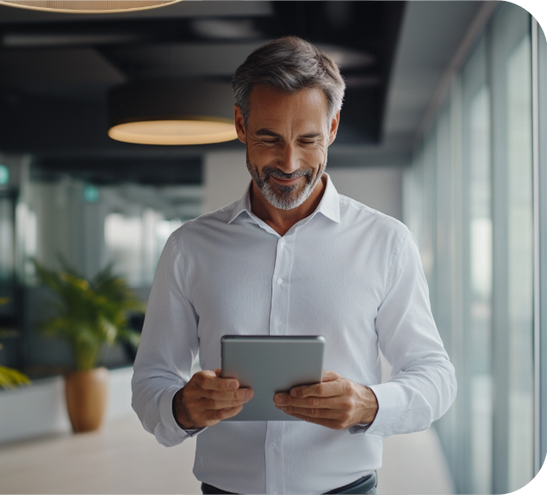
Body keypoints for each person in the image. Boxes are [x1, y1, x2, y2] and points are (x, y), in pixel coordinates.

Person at [131, 36, 456, 495]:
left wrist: (368, 404)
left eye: (308, 140)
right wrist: (182, 406)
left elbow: (435, 376)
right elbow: (150, 379)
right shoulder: (189, 247)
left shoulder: (386, 242)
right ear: (241, 124)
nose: (289, 162)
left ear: (334, 127)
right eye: (269, 138)